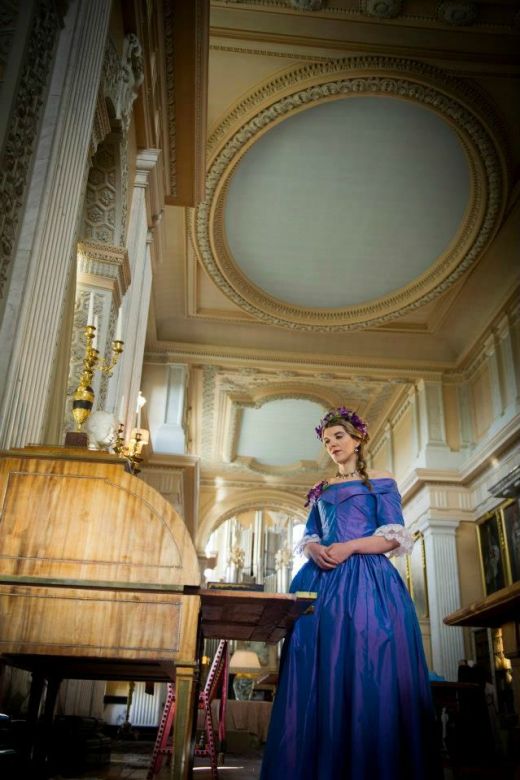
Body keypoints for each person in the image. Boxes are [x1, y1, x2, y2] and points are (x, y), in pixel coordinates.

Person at [260, 407, 438, 780]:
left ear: (357, 439)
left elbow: (393, 536)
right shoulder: (322, 488)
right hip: (321, 584)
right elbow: (311, 534)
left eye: (338, 437)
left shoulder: (382, 480)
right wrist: (313, 549)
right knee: (320, 667)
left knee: (368, 664)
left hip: (368, 584)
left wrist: (351, 547)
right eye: (326, 441)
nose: (332, 445)